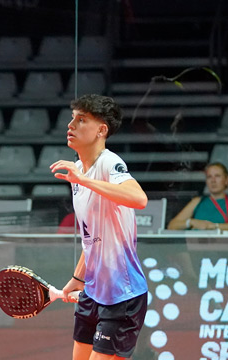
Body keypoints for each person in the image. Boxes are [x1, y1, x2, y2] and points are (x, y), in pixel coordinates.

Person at [50, 94, 148, 360]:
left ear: (101, 130)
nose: (71, 125)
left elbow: (139, 198)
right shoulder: (78, 171)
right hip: (92, 292)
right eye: (72, 118)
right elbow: (92, 238)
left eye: (81, 120)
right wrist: (78, 278)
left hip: (122, 297)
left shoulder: (108, 162)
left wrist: (84, 179)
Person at [167, 162, 228, 231]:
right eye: (209, 177)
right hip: (195, 247)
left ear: (226, 180)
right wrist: (191, 222)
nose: (213, 180)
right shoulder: (197, 201)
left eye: (217, 176)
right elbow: (172, 225)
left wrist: (215, 226)